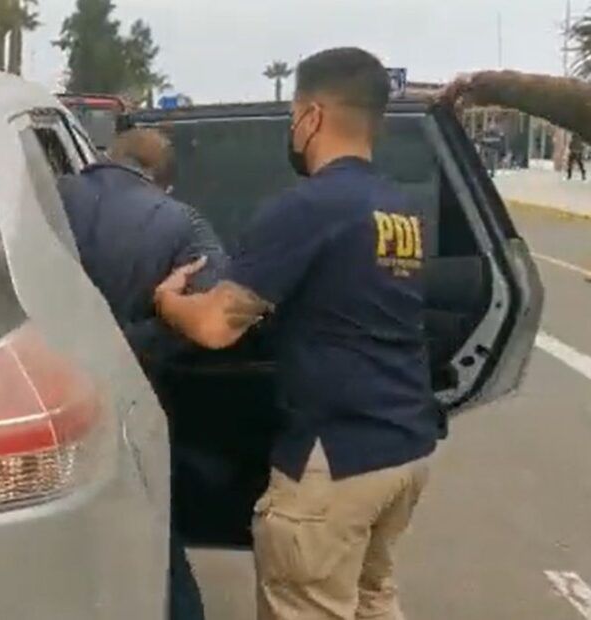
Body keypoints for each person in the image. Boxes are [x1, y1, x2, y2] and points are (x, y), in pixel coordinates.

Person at [154, 48, 439, 620]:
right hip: (404, 448)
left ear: (312, 115)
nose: (292, 130)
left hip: (334, 460)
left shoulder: (308, 207)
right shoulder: (401, 208)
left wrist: (168, 302)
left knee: (307, 605)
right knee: (371, 599)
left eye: (292, 116)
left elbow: (214, 326)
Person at [57, 128, 229, 620]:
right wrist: (129, 345)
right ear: (164, 182)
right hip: (134, 402)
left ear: (107, 156)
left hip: (41, 397)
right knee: (156, 537)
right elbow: (216, 312)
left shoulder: (44, 197)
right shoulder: (182, 222)